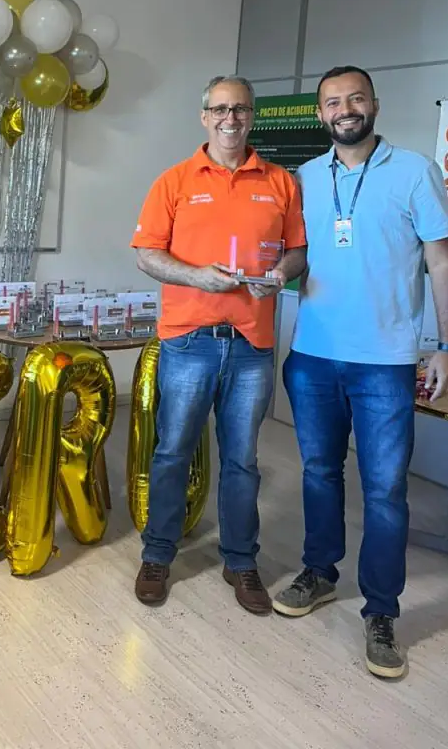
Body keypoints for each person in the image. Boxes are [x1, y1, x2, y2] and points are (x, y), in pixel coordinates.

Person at [273, 65, 448, 679]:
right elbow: (295, 254)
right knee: (319, 471)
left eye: (355, 98)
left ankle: (381, 610)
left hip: (386, 363)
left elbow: (442, 262)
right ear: (320, 114)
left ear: (374, 105)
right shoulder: (305, 178)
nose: (345, 109)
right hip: (313, 357)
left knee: (384, 491)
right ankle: (320, 572)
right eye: (333, 102)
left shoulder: (414, 171)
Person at [131, 76, 307, 613]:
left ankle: (240, 560)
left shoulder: (281, 182)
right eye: (221, 109)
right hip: (189, 341)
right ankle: (158, 554)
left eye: (241, 109)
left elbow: (298, 252)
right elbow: (146, 253)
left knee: (242, 460)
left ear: (253, 116)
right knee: (172, 452)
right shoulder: (174, 181)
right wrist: (195, 277)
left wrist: (280, 275)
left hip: (252, 344)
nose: (231, 118)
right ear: (205, 116)